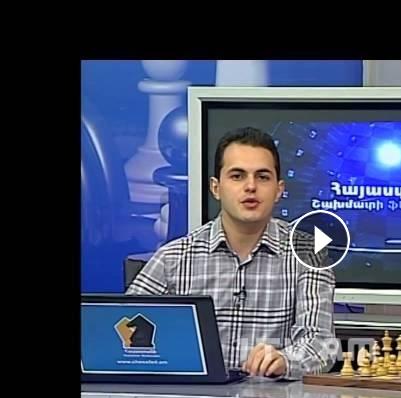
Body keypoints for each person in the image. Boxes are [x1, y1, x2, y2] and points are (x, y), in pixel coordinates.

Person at [126, 126, 339, 379]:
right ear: (216, 188)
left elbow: (322, 346)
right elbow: (123, 329)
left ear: (279, 190)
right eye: (237, 176)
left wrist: (285, 361)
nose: (251, 186)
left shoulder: (307, 256)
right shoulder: (173, 258)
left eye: (263, 177)